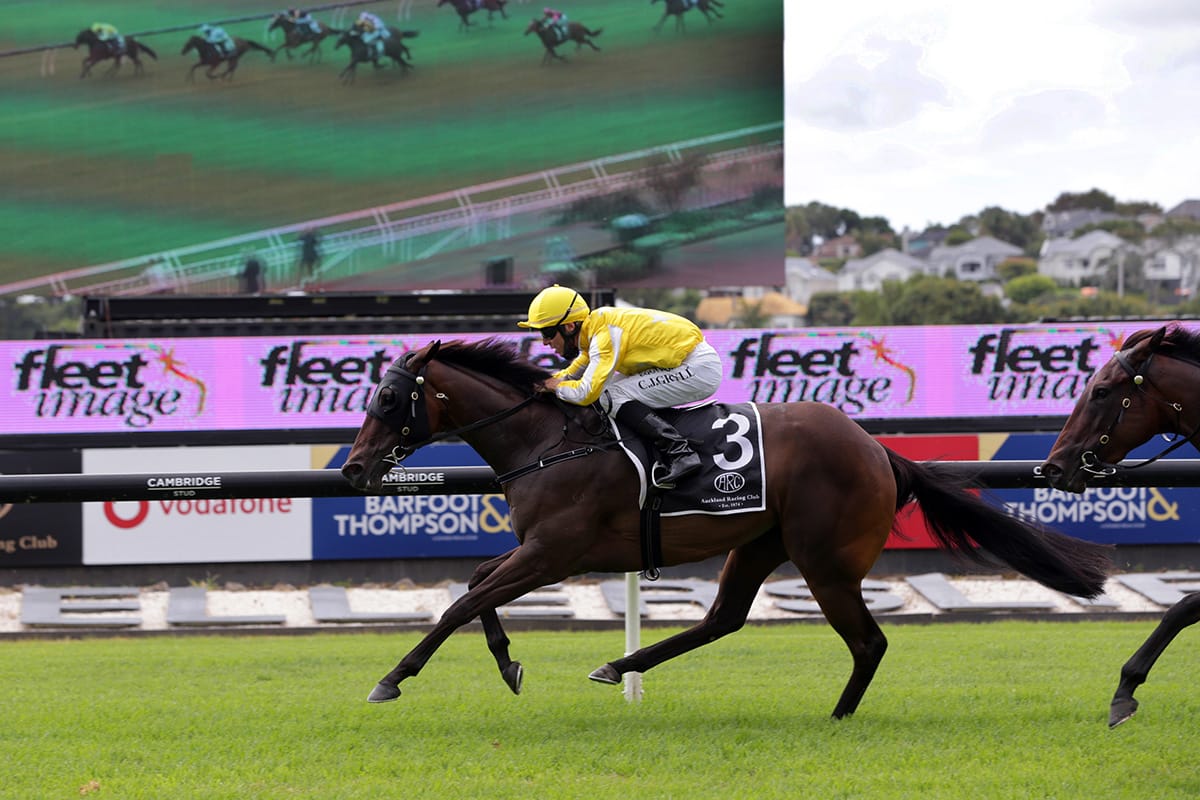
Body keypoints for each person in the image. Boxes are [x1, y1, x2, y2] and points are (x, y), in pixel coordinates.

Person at [518, 284, 722, 489]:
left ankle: (680, 452)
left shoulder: (605, 334)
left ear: (569, 326)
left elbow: (586, 393)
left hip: (698, 368)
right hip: (683, 363)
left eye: (547, 332)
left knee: (609, 395)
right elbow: (569, 374)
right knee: (610, 392)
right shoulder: (594, 329)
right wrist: (542, 382)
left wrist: (555, 387)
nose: (544, 342)